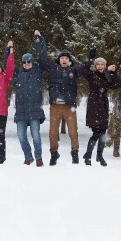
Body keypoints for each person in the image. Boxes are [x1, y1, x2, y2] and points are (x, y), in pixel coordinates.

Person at [34, 30, 82, 165]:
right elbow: (42, 57)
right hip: (55, 106)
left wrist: (90, 59)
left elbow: (85, 69)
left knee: (73, 132)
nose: (64, 60)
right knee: (53, 132)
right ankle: (54, 154)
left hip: (69, 106)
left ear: (69, 60)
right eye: (62, 58)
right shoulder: (53, 68)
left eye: (66, 58)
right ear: (59, 60)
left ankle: (75, 154)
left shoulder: (74, 70)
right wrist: (39, 39)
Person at [82, 50, 119, 166]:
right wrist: (90, 58)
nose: (100, 66)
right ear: (95, 65)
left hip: (103, 105)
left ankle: (99, 156)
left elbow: (116, 85)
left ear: (105, 65)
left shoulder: (107, 76)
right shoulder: (91, 74)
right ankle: (88, 155)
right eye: (98, 64)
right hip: (94, 104)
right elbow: (84, 70)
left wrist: (114, 73)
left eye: (102, 64)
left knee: (103, 132)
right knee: (96, 133)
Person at [13, 53, 45, 167]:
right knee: (21, 136)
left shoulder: (38, 72)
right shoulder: (19, 73)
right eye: (24, 62)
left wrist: (39, 39)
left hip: (34, 110)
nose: (26, 64)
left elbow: (43, 57)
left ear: (32, 62)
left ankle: (38, 157)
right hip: (21, 111)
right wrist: (10, 50)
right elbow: (9, 63)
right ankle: (28, 157)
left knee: (35, 135)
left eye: (29, 62)